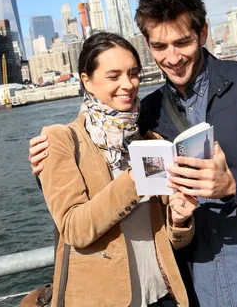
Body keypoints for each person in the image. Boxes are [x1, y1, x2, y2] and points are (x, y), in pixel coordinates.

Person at [30, 0, 237, 307]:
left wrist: (233, 184)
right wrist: (47, 162)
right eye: (158, 47)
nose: (172, 58)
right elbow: (100, 142)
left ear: (204, 33)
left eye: (182, 42)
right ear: (147, 43)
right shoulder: (148, 115)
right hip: (196, 292)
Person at [34, 32, 197, 307]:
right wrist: (136, 178)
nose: (128, 84)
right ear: (87, 81)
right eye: (114, 76)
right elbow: (75, 229)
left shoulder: (151, 141)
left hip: (163, 295)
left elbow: (172, 239)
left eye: (133, 73)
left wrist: (180, 221)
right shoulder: (61, 139)